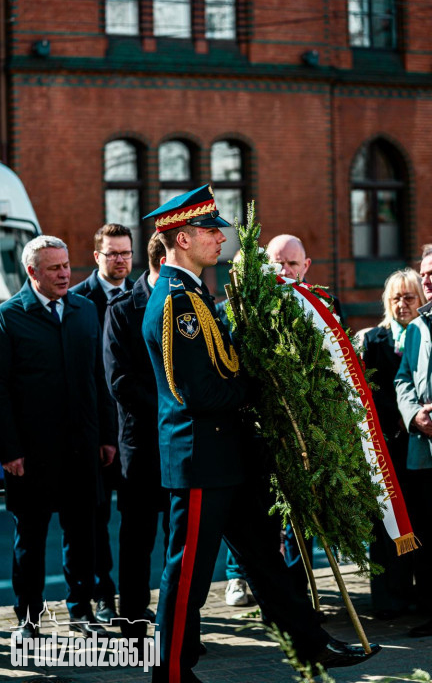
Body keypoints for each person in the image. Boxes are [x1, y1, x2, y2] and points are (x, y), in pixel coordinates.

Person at [143, 184, 380, 683]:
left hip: (229, 453)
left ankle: (312, 648)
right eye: (210, 231)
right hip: (202, 454)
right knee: (188, 572)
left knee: (267, 563)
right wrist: (262, 385)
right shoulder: (175, 303)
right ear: (181, 238)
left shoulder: (196, 293)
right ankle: (170, 673)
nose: (219, 239)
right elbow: (202, 391)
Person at [0, 235, 116, 639]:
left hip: (82, 448)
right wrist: (9, 449)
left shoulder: (85, 311)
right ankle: (28, 621)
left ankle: (81, 612)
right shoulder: (9, 316)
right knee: (29, 541)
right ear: (32, 272)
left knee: (82, 536)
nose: (65, 273)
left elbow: (97, 378)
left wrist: (106, 435)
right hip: (31, 454)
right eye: (54, 268)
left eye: (66, 265)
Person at [103, 232, 169, 640]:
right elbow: (120, 380)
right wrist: (171, 407)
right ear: (162, 262)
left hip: (182, 442)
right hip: (142, 444)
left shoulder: (190, 305)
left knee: (178, 539)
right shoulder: (124, 309)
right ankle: (131, 618)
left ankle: (179, 623)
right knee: (138, 537)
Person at [71, 223, 134, 624]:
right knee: (94, 522)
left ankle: (133, 600)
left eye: (126, 253)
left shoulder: (142, 296)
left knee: (136, 522)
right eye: (112, 253)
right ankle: (101, 596)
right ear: (97, 257)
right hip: (95, 434)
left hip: (133, 434)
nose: (120, 260)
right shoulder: (78, 301)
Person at [362, 268, 425, 619]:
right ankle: (388, 598)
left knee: (418, 521)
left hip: (420, 448)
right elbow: (369, 391)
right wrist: (403, 415)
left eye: (410, 297)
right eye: (396, 298)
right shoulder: (374, 340)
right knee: (387, 524)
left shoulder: (425, 337)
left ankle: (417, 592)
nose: (403, 304)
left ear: (421, 299)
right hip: (388, 445)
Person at [395, 247, 432, 638]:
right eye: (424, 273)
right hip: (423, 447)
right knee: (426, 531)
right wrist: (414, 415)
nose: (427, 280)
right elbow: (403, 377)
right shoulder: (418, 327)